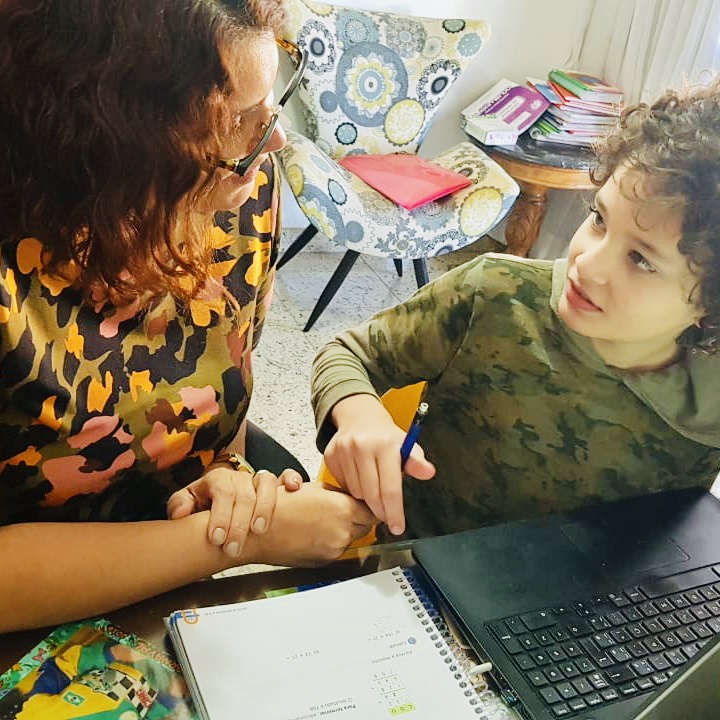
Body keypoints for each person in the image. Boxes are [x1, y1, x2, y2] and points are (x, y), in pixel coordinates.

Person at [0, 0, 375, 634]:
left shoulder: (241, 192)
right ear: (110, 137)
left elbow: (224, 396)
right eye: (237, 122)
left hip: (174, 575)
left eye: (270, 102)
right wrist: (235, 541)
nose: (274, 139)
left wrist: (227, 479)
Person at [311, 80, 720, 540]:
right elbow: (347, 354)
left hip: (596, 587)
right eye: (599, 219)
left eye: (641, 260)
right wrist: (359, 413)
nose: (587, 263)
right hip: (420, 561)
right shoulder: (497, 293)